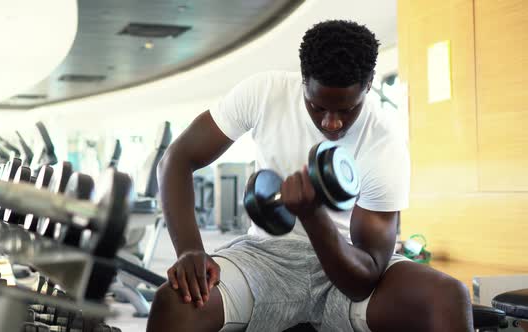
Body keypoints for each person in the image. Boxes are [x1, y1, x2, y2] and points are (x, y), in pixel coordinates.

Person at [147, 20, 473, 332]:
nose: (331, 124)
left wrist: (313, 215)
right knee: (174, 303)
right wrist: (190, 250)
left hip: (348, 262)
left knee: (448, 298)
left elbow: (363, 279)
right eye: (317, 107)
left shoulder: (384, 139)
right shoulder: (264, 93)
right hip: (266, 257)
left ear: (368, 85)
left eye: (346, 110)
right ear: (303, 79)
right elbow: (177, 159)